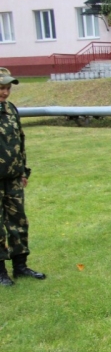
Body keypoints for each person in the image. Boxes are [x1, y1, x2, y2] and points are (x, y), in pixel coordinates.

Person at [0, 68, 46, 286]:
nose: (6, 93)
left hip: (13, 179)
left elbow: (20, 142)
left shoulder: (10, 109)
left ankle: (20, 267)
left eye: (8, 88)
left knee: (19, 222)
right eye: (1, 88)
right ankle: (1, 272)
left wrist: (23, 172)